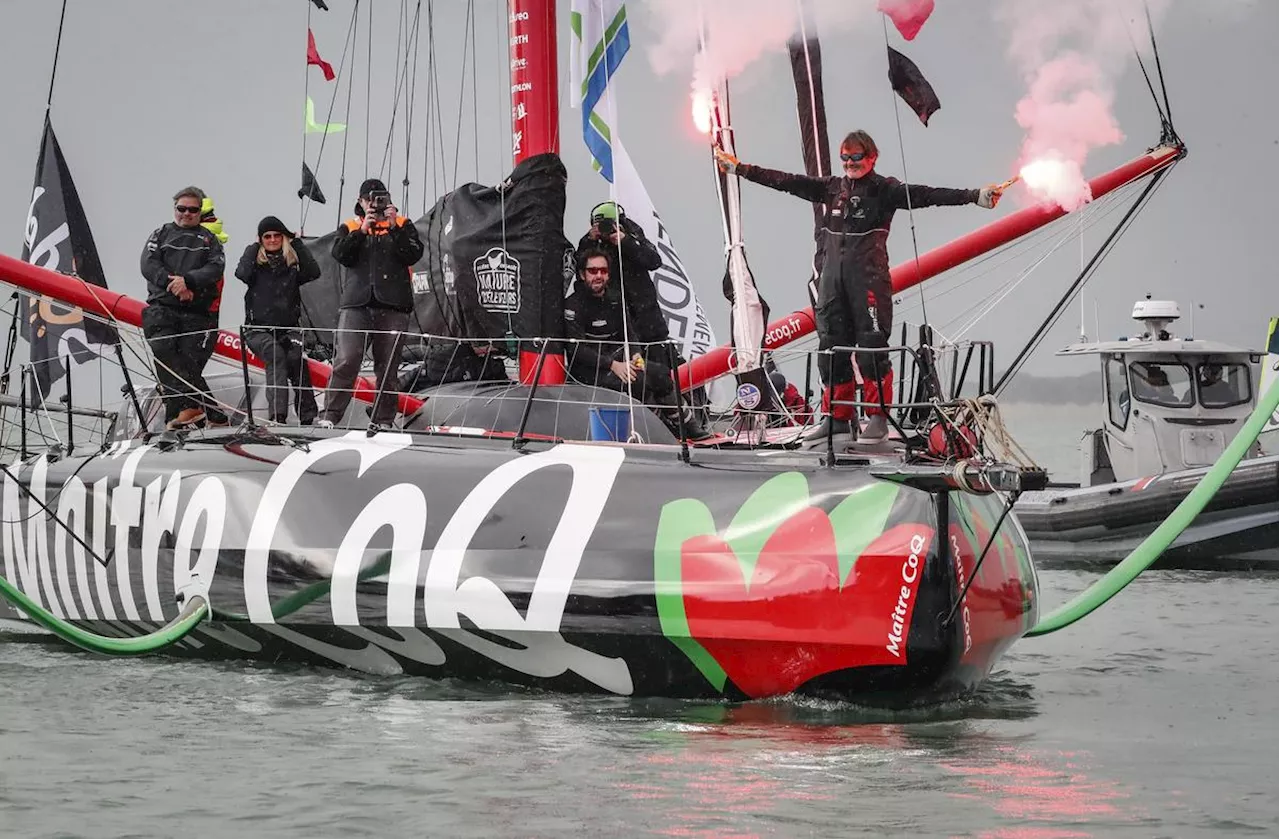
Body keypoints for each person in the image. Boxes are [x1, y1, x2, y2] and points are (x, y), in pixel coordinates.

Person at [715, 130, 1005, 442]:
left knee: (871, 350)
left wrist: (975, 195)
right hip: (832, 284)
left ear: (872, 157)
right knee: (831, 350)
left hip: (868, 281)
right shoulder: (831, 187)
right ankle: (837, 417)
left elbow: (929, 195)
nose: (850, 163)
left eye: (856, 157)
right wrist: (739, 168)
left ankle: (877, 416)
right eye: (845, 157)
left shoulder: (885, 189)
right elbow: (787, 181)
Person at [565, 247, 711, 441]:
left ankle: (688, 427)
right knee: (638, 382)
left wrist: (636, 354)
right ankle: (661, 431)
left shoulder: (615, 299)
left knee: (659, 373)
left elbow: (630, 333)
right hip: (588, 370)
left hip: (618, 361)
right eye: (593, 271)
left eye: (604, 270)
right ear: (582, 275)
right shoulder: (572, 305)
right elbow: (576, 349)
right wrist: (612, 365)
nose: (599, 275)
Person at [315, 178, 424, 430]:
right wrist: (362, 230)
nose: (374, 204)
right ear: (361, 202)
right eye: (369, 200)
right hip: (357, 305)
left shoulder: (402, 224)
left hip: (393, 305)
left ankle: (383, 420)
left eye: (379, 198)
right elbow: (341, 255)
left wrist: (394, 226)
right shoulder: (350, 226)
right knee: (347, 359)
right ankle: (330, 415)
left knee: (388, 367)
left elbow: (413, 254)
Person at [140, 185, 229, 430]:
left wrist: (188, 281)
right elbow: (148, 265)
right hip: (163, 307)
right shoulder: (160, 234)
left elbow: (215, 268)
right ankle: (206, 414)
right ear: (175, 209)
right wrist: (175, 284)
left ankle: (187, 415)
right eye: (182, 209)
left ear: (200, 212)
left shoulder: (209, 240)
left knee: (188, 364)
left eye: (193, 210)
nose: (186, 214)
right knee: (164, 353)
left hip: (196, 312)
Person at [235, 215, 323, 424]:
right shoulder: (254, 267)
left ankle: (309, 419)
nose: (272, 240)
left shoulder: (291, 267)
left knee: (296, 361)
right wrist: (253, 246)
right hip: (257, 330)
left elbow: (313, 271)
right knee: (276, 355)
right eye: (267, 236)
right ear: (261, 239)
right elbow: (241, 273)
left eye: (277, 235)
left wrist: (297, 242)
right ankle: (277, 417)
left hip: (287, 330)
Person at [576, 201, 669, 348]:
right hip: (614, 320)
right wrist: (590, 241)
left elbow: (654, 261)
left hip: (646, 318)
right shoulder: (592, 243)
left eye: (607, 225)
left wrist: (625, 242)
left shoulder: (632, 234)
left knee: (660, 362)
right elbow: (581, 274)